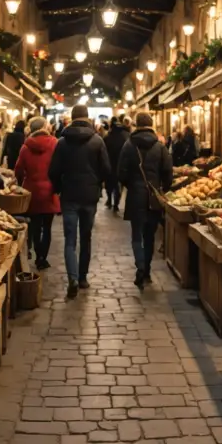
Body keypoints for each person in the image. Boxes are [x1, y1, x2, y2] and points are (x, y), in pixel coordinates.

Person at [49, 104, 111, 298]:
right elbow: (107, 170)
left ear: (72, 118)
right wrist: (98, 184)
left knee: (69, 239)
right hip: (90, 196)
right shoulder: (97, 141)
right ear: (87, 118)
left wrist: (59, 187)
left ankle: (72, 278)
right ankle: (83, 277)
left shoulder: (62, 142)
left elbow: (53, 171)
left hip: (69, 196)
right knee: (86, 237)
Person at [118, 112, 173, 289]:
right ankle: (147, 270)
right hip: (153, 197)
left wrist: (132, 185)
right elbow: (168, 172)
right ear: (151, 124)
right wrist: (162, 188)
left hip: (135, 196)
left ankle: (140, 266)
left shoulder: (128, 145)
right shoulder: (160, 146)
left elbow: (121, 173)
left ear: (136, 125)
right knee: (149, 236)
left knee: (136, 235)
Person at [15, 116, 60, 270]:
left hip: (31, 190)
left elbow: (18, 170)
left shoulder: (25, 146)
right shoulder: (54, 143)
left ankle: (36, 252)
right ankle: (42, 258)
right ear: (45, 127)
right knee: (47, 227)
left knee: (35, 226)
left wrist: (21, 184)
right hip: (49, 191)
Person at [103, 115, 129, 211]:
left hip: (109, 164)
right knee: (119, 185)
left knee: (109, 184)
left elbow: (104, 152)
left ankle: (109, 200)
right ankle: (116, 204)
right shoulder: (125, 136)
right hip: (120, 164)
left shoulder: (107, 137)